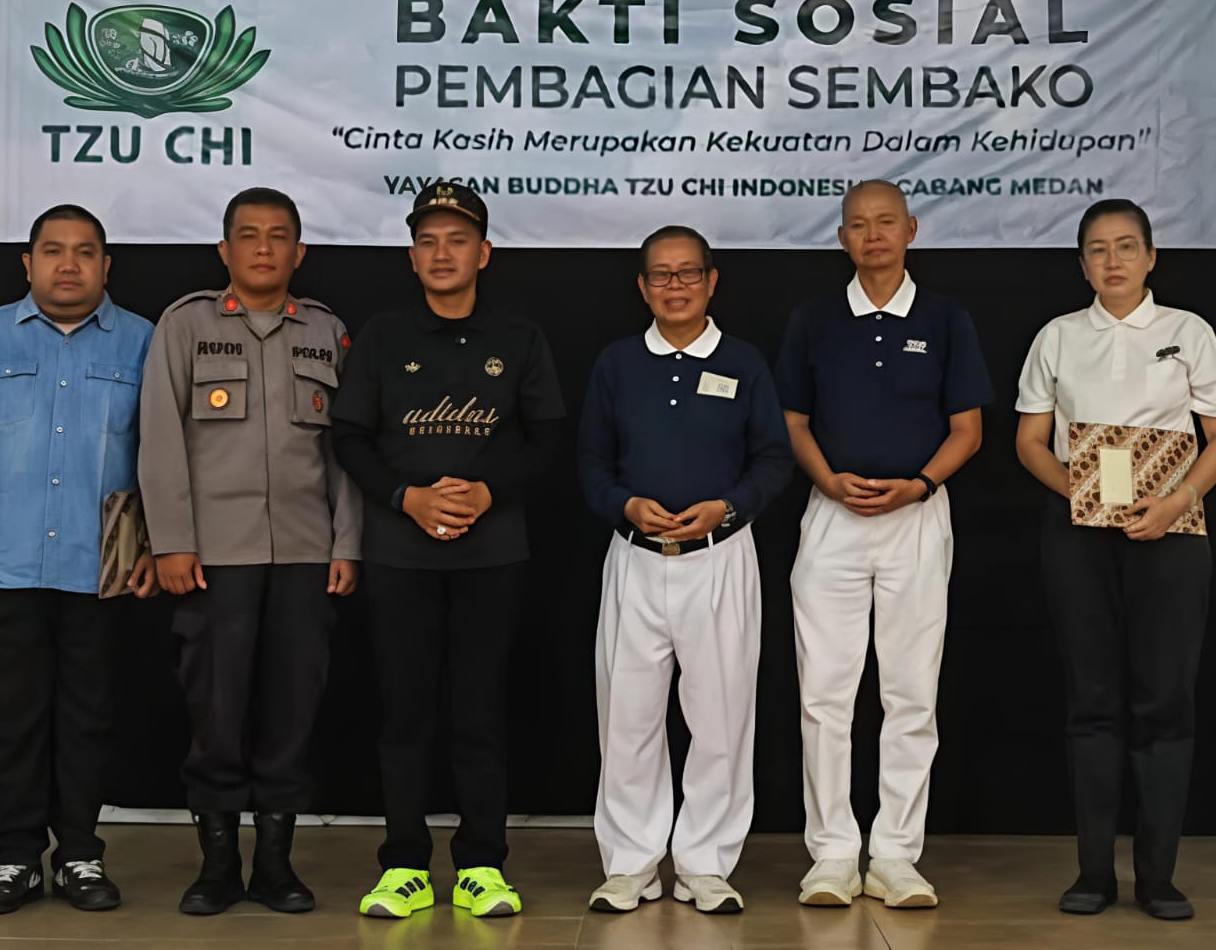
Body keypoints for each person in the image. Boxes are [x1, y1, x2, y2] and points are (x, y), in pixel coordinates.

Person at [330, 183, 565, 919]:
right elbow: (349, 438)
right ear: (411, 256)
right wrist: (407, 498)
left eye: (457, 240)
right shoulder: (382, 336)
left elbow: (547, 439)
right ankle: (403, 864)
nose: (442, 253)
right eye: (427, 241)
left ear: (483, 253)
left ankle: (481, 866)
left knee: (479, 713)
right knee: (404, 715)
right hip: (400, 553)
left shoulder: (519, 337)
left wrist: (488, 493)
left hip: (491, 555)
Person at [0, 204, 157, 915]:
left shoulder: (145, 341)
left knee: (88, 719)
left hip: (104, 564)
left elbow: (167, 456)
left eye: (85, 252)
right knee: (13, 721)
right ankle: (16, 859)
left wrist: (155, 544)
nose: (68, 264)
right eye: (53, 251)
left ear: (106, 266)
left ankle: (81, 855)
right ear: (28, 263)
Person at [1014, 198, 1216, 921]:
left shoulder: (1188, 332)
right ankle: (1093, 873)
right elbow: (1029, 442)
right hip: (1078, 538)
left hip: (1172, 534)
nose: (1112, 261)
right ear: (1082, 264)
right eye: (1097, 249)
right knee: (1091, 700)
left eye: (1126, 246)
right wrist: (1082, 494)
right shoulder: (1058, 336)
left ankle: (1158, 876)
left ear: (1151, 257)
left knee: (1164, 700)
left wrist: (1175, 502)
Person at [138, 187, 362, 916]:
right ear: (224, 249)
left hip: (305, 553)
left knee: (293, 710)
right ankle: (217, 869)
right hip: (214, 556)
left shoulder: (326, 331)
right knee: (217, 710)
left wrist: (348, 541)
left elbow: (347, 451)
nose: (263, 248)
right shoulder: (185, 324)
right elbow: (160, 441)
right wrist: (171, 542)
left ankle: (274, 867)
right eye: (248, 234)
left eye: (278, 236)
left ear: (300, 251)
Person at [775, 179, 992, 909]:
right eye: (859, 225)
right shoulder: (813, 319)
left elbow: (968, 430)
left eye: (886, 223)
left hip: (917, 517)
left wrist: (920, 485)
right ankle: (833, 854)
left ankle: (897, 854)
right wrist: (829, 481)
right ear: (842, 238)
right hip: (832, 516)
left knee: (910, 694)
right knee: (824, 696)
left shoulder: (946, 318)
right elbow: (793, 422)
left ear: (911, 230)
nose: (873, 236)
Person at [577, 226, 793, 914]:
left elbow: (773, 458)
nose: (676, 287)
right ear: (643, 288)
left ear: (712, 281)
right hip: (636, 561)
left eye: (688, 273)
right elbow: (591, 461)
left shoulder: (743, 362)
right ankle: (631, 864)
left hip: (719, 559)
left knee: (721, 718)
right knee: (627, 719)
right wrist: (624, 505)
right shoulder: (617, 362)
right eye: (661, 276)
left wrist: (728, 508)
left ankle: (706, 863)